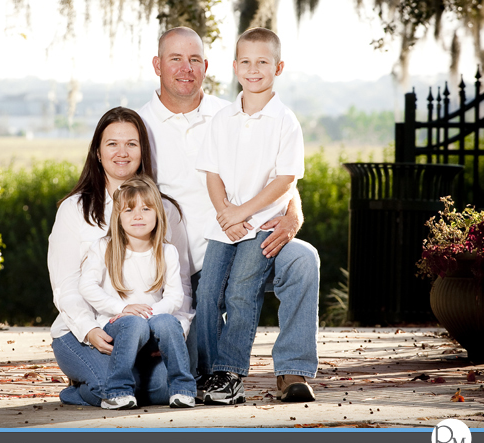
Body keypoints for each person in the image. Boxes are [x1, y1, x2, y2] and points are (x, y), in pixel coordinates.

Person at [137, 26, 319, 403]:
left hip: (252, 234)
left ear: (207, 66)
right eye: (175, 59)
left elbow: (285, 177)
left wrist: (292, 216)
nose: (185, 69)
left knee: (303, 258)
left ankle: (292, 371)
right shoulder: (139, 127)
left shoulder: (231, 110)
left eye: (194, 60)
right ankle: (214, 373)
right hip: (184, 263)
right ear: (157, 65)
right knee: (167, 375)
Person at [48, 107, 193, 407]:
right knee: (108, 385)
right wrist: (89, 330)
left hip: (146, 336)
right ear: (98, 152)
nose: (122, 152)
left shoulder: (165, 210)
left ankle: (119, 382)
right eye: (112, 143)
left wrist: (169, 333)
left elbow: (182, 286)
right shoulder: (74, 210)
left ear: (143, 151)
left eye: (132, 143)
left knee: (166, 388)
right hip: (84, 332)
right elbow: (65, 285)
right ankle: (79, 387)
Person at [195, 27, 305, 405]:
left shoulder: (285, 121)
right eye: (246, 61)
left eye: (263, 62)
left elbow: (286, 179)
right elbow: (211, 173)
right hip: (224, 223)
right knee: (208, 293)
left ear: (279, 67)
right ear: (234, 66)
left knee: (242, 291)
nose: (253, 69)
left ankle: (230, 374)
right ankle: (205, 372)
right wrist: (225, 212)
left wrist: (244, 212)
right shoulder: (223, 118)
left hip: (261, 224)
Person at [79, 175, 196, 409]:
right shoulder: (104, 247)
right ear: (118, 217)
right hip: (117, 324)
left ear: (158, 214)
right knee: (133, 324)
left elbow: (174, 298)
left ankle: (183, 389)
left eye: (146, 208)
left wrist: (148, 313)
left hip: (153, 323)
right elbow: (87, 287)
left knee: (168, 323)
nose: (138, 216)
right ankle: (117, 391)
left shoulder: (167, 252)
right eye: (129, 210)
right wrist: (123, 309)